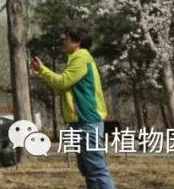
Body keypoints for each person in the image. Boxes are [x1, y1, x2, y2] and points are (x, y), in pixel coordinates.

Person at [32, 27, 116, 189]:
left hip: (87, 121)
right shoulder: (76, 59)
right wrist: (42, 73)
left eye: (67, 39)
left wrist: (43, 70)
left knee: (97, 169)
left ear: (77, 43)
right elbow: (63, 87)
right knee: (88, 169)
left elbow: (62, 81)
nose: (63, 41)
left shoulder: (82, 58)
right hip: (80, 122)